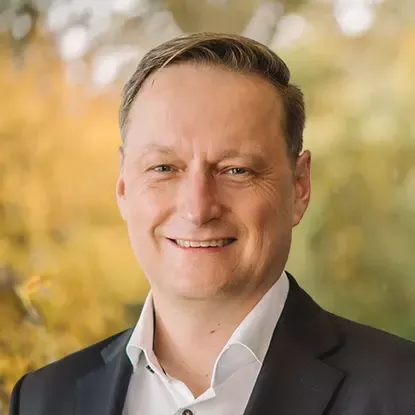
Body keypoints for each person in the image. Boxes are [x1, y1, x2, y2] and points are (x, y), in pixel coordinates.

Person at [8, 32, 415, 415]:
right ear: (123, 186)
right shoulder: (43, 400)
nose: (198, 209)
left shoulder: (402, 390)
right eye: (164, 168)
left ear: (299, 185)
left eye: (236, 170)